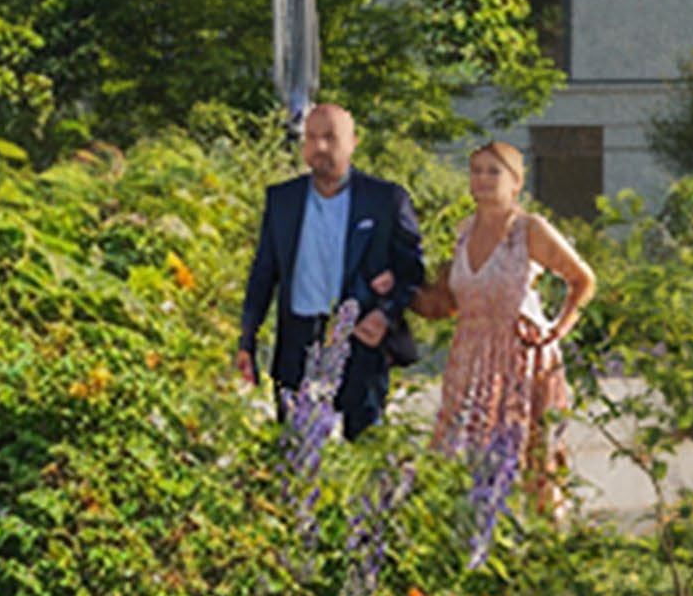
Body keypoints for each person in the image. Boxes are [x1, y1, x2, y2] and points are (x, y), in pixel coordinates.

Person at [422, 133, 595, 541]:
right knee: (458, 451)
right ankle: (467, 542)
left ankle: (544, 549)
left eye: (493, 172)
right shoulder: (463, 230)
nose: (482, 180)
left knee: (533, 459)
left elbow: (582, 279)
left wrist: (558, 327)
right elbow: (451, 299)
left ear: (516, 182)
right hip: (470, 356)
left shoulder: (529, 229)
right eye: (476, 171)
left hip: (521, 357)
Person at [237, 96, 428, 444]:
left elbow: (412, 270)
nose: (319, 146)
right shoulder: (282, 200)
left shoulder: (386, 200)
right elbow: (264, 273)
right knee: (294, 449)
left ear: (353, 142)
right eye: (311, 138)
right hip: (297, 337)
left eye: (330, 137)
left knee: (364, 450)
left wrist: (385, 314)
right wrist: (246, 341)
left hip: (360, 338)